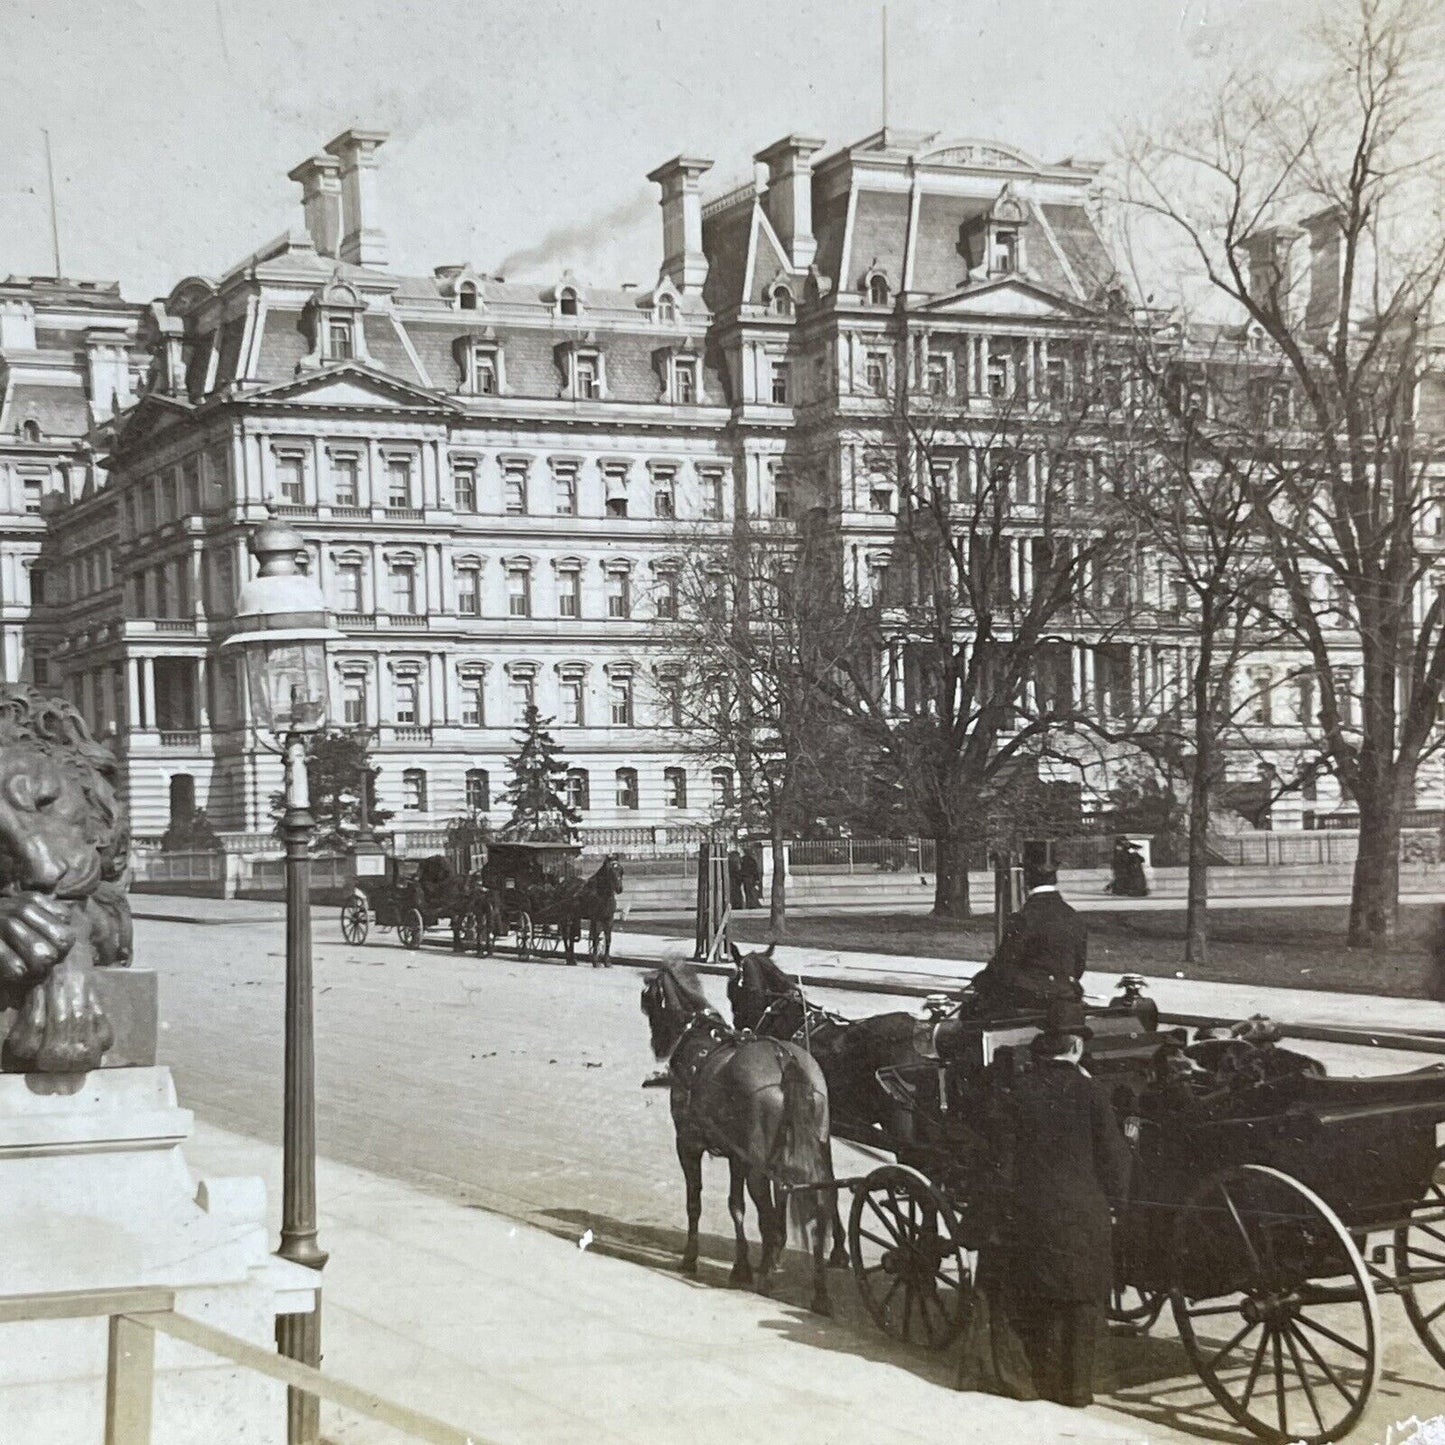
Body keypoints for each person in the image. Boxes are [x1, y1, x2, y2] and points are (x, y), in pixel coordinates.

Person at [993, 999, 1132, 1407]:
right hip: (1084, 1212)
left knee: (1038, 1296)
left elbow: (1004, 1160)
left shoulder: (1017, 1091)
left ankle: (1037, 1380)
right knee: (1082, 1299)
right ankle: (1076, 1389)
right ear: (1075, 1048)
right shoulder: (1091, 1091)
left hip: (1033, 1211)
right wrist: (1118, 1204)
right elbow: (1114, 1155)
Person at [969, 861, 1087, 1014]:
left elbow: (1005, 962)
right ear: (1055, 879)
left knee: (972, 1011)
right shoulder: (1073, 916)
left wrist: (982, 980)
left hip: (1030, 996)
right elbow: (1079, 965)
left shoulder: (1024, 918)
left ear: (1027, 880)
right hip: (1065, 993)